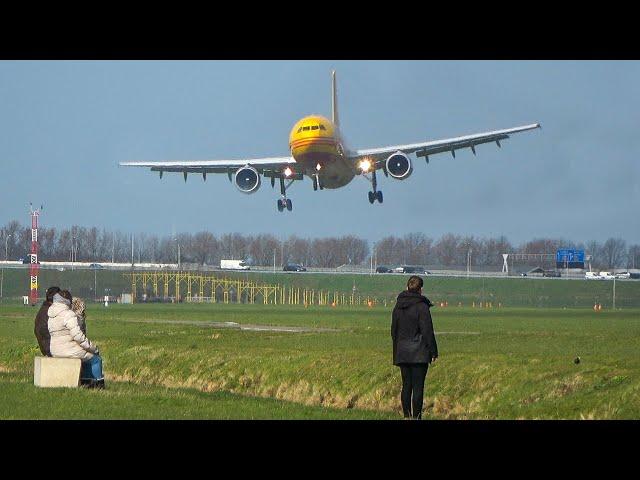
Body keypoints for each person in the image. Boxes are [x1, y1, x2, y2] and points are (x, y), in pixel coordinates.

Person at [391, 275, 438, 419]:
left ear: (407, 287)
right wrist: (433, 351)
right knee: (418, 387)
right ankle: (417, 417)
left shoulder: (398, 306)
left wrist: (398, 346)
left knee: (406, 386)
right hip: (419, 353)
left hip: (402, 351)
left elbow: (394, 330)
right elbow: (427, 331)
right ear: (421, 290)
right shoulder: (422, 306)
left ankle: (406, 415)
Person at [48, 290, 104, 388]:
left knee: (87, 356)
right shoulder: (68, 314)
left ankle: (86, 383)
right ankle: (95, 386)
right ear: (67, 301)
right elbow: (78, 337)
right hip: (68, 351)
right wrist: (93, 348)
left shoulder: (51, 315)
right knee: (95, 359)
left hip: (55, 350)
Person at [34, 286, 60, 357]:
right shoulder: (49, 312)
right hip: (51, 350)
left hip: (48, 349)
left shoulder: (45, 310)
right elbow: (45, 333)